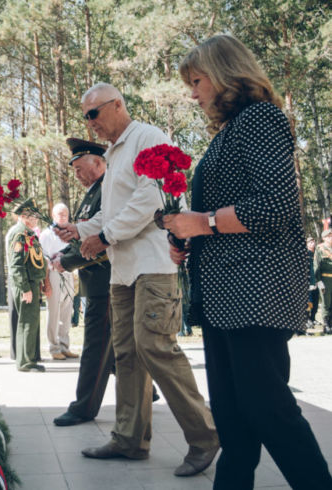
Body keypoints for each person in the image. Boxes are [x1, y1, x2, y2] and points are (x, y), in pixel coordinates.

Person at [164, 34, 332, 489]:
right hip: (228, 295)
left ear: (223, 75)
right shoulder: (230, 133)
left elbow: (276, 205)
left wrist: (204, 224)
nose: (192, 92)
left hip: (256, 291)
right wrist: (189, 237)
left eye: (196, 81)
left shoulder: (260, 119)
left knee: (268, 411)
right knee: (234, 422)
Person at [56, 82, 219, 476]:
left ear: (117, 105)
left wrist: (105, 236)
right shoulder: (113, 154)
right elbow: (115, 211)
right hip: (123, 270)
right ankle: (129, 439)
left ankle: (204, 435)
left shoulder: (148, 137)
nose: (90, 123)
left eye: (93, 113)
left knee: (155, 346)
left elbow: (149, 201)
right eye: (85, 116)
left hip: (153, 265)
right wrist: (81, 230)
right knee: (127, 354)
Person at [51, 137, 114, 426]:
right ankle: (145, 390)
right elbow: (79, 236)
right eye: (73, 169)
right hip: (95, 280)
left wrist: (65, 261)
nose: (75, 175)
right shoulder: (93, 193)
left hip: (106, 280)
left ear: (98, 163)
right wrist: (62, 253)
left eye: (79, 168)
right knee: (114, 345)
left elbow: (95, 238)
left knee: (95, 345)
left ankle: (83, 407)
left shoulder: (107, 191)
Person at [8, 198, 51, 372]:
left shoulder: (29, 233)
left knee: (32, 321)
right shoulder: (20, 234)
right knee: (26, 322)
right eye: (34, 216)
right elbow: (16, 265)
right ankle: (25, 362)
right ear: (25, 216)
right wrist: (25, 288)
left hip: (32, 282)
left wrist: (40, 281)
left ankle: (30, 358)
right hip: (25, 285)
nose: (36, 220)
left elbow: (35, 261)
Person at [39, 203, 78, 360]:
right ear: (53, 216)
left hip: (68, 273)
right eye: (60, 214)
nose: (63, 217)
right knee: (54, 312)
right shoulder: (47, 234)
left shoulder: (70, 233)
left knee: (67, 312)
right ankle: (54, 347)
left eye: (65, 214)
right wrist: (46, 281)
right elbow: (43, 258)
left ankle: (64, 345)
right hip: (53, 274)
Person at [5, 214, 20, 359]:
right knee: (15, 315)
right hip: (17, 278)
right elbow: (15, 261)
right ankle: (16, 352)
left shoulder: (29, 232)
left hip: (25, 279)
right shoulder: (16, 233)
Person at [315, 230, 332, 335]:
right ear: (324, 238)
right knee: (326, 302)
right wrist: (319, 282)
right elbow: (316, 266)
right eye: (329, 236)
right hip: (325, 279)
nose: (331, 238)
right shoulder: (320, 248)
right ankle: (326, 325)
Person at [307, 237, 319, 328]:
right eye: (310, 242)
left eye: (313, 242)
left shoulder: (316, 254)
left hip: (317, 281)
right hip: (309, 282)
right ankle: (307, 320)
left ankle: (313, 318)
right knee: (309, 302)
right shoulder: (306, 254)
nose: (312, 244)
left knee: (315, 301)